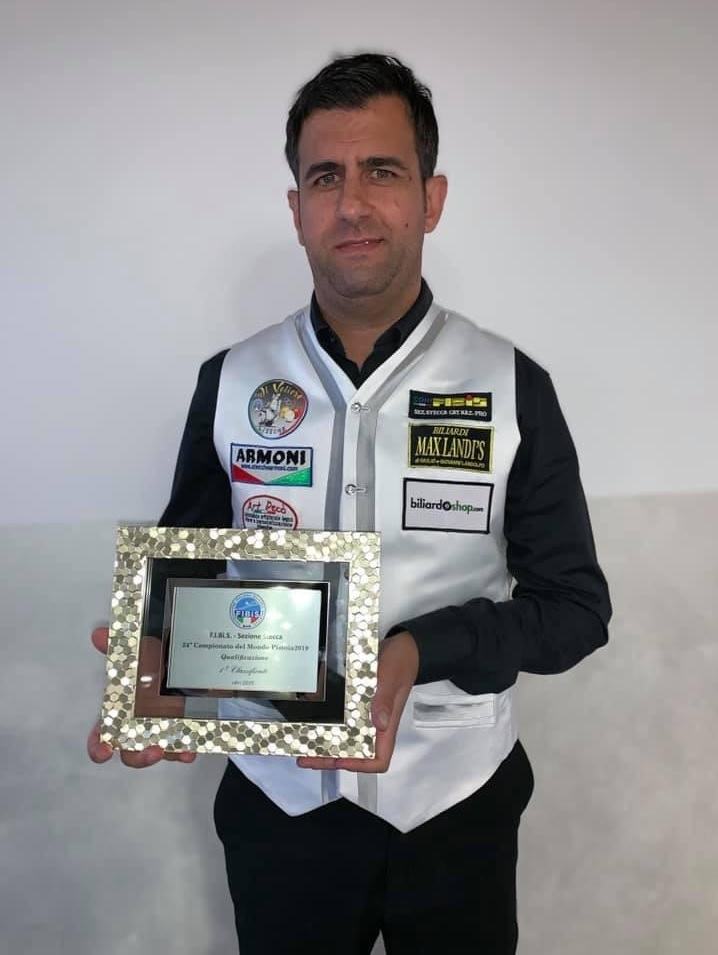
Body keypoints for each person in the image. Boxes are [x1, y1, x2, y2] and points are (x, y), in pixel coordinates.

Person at [88, 53, 611, 954]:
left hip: (456, 805)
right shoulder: (232, 381)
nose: (354, 203)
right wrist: (157, 668)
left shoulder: (510, 385)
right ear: (297, 208)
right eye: (326, 177)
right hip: (279, 805)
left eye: (383, 172)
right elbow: (183, 576)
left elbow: (574, 611)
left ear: (431, 199)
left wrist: (422, 647)